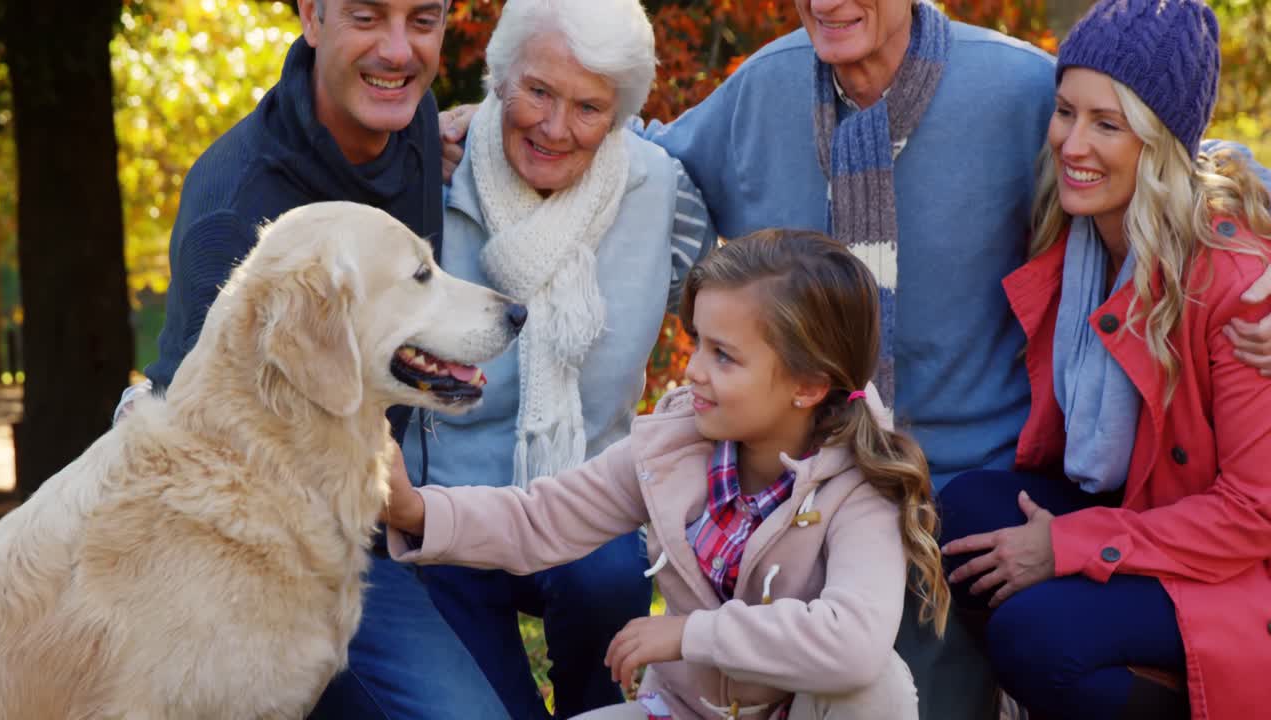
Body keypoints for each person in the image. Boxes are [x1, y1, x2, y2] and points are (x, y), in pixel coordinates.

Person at [437, 2, 1271, 717]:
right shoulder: (767, 88)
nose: (830, 3)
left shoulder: (1022, 92)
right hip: (808, 491)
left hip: (972, 496)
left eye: (1095, 123)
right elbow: (642, 152)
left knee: (977, 659)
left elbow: (1184, 156)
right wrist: (502, 119)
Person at [382, 228, 949, 720]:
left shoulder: (862, 485)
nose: (694, 370)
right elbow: (540, 517)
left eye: (724, 356)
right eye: (697, 342)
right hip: (681, 711)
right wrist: (416, 511)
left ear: (808, 386)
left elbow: (853, 641)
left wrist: (690, 635)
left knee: (879, 688)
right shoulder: (674, 447)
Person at [130, 0, 509, 717]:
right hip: (263, 555)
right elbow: (193, 443)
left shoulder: (413, 116)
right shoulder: (232, 214)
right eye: (367, 16)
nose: (398, 52)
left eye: (423, 21)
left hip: (389, 506)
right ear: (312, 16)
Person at [938, 1, 1271, 718]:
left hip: (1232, 563)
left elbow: (1252, 515)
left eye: (1108, 124)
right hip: (1135, 509)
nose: (1072, 143)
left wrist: (1068, 545)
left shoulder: (1240, 288)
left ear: (1160, 141)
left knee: (1038, 636)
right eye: (1065, 112)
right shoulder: (1078, 239)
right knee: (963, 518)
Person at [398, 1, 717, 717]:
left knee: (603, 580)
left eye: (588, 107)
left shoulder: (664, 192)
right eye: (538, 91)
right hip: (447, 508)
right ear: (501, 79)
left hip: (589, 510)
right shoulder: (427, 173)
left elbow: (727, 318)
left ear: (622, 116)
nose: (553, 127)